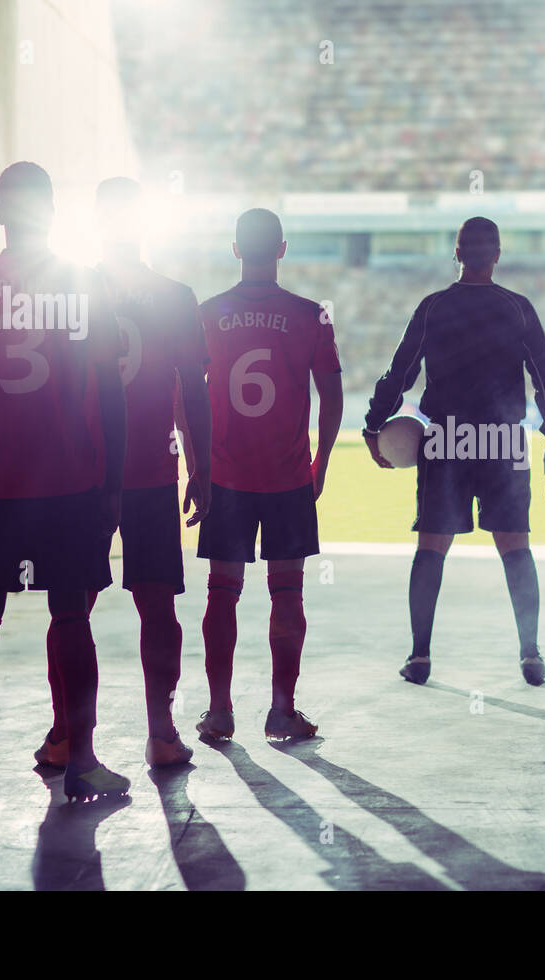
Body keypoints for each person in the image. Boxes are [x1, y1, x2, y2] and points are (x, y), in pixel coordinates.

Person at [0, 161, 130, 804]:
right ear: (52, 211)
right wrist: (112, 478)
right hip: (69, 479)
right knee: (71, 617)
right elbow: (108, 388)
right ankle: (80, 759)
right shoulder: (83, 284)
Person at [32, 177, 212, 769]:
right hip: (149, 472)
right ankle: (161, 733)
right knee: (157, 606)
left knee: (71, 607)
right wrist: (202, 463)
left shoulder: (69, 289)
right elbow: (195, 390)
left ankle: (66, 735)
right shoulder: (175, 295)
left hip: (82, 473)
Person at [364, 217, 545, 686]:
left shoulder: (434, 308)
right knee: (516, 547)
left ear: (456, 254)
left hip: (447, 437)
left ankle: (419, 657)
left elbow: (400, 372)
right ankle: (530, 654)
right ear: (497, 254)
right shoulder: (517, 308)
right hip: (504, 438)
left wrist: (374, 425)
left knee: (432, 547)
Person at [193, 208, 341, 743]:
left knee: (221, 592)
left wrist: (197, 465)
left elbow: (185, 397)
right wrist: (321, 461)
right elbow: (333, 395)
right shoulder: (311, 315)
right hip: (286, 477)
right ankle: (281, 711)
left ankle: (219, 712)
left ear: (235, 249)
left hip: (227, 474)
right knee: (288, 593)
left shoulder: (208, 313)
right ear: (282, 249)